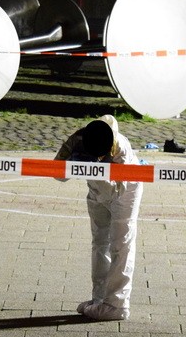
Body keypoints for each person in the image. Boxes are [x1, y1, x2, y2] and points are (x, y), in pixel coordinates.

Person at [55, 115, 144, 321]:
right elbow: (58, 174)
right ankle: (99, 299)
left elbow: (120, 188)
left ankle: (117, 304)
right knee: (99, 243)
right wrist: (72, 158)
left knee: (121, 244)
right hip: (96, 190)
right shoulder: (76, 141)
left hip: (125, 190)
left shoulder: (120, 147)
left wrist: (101, 171)